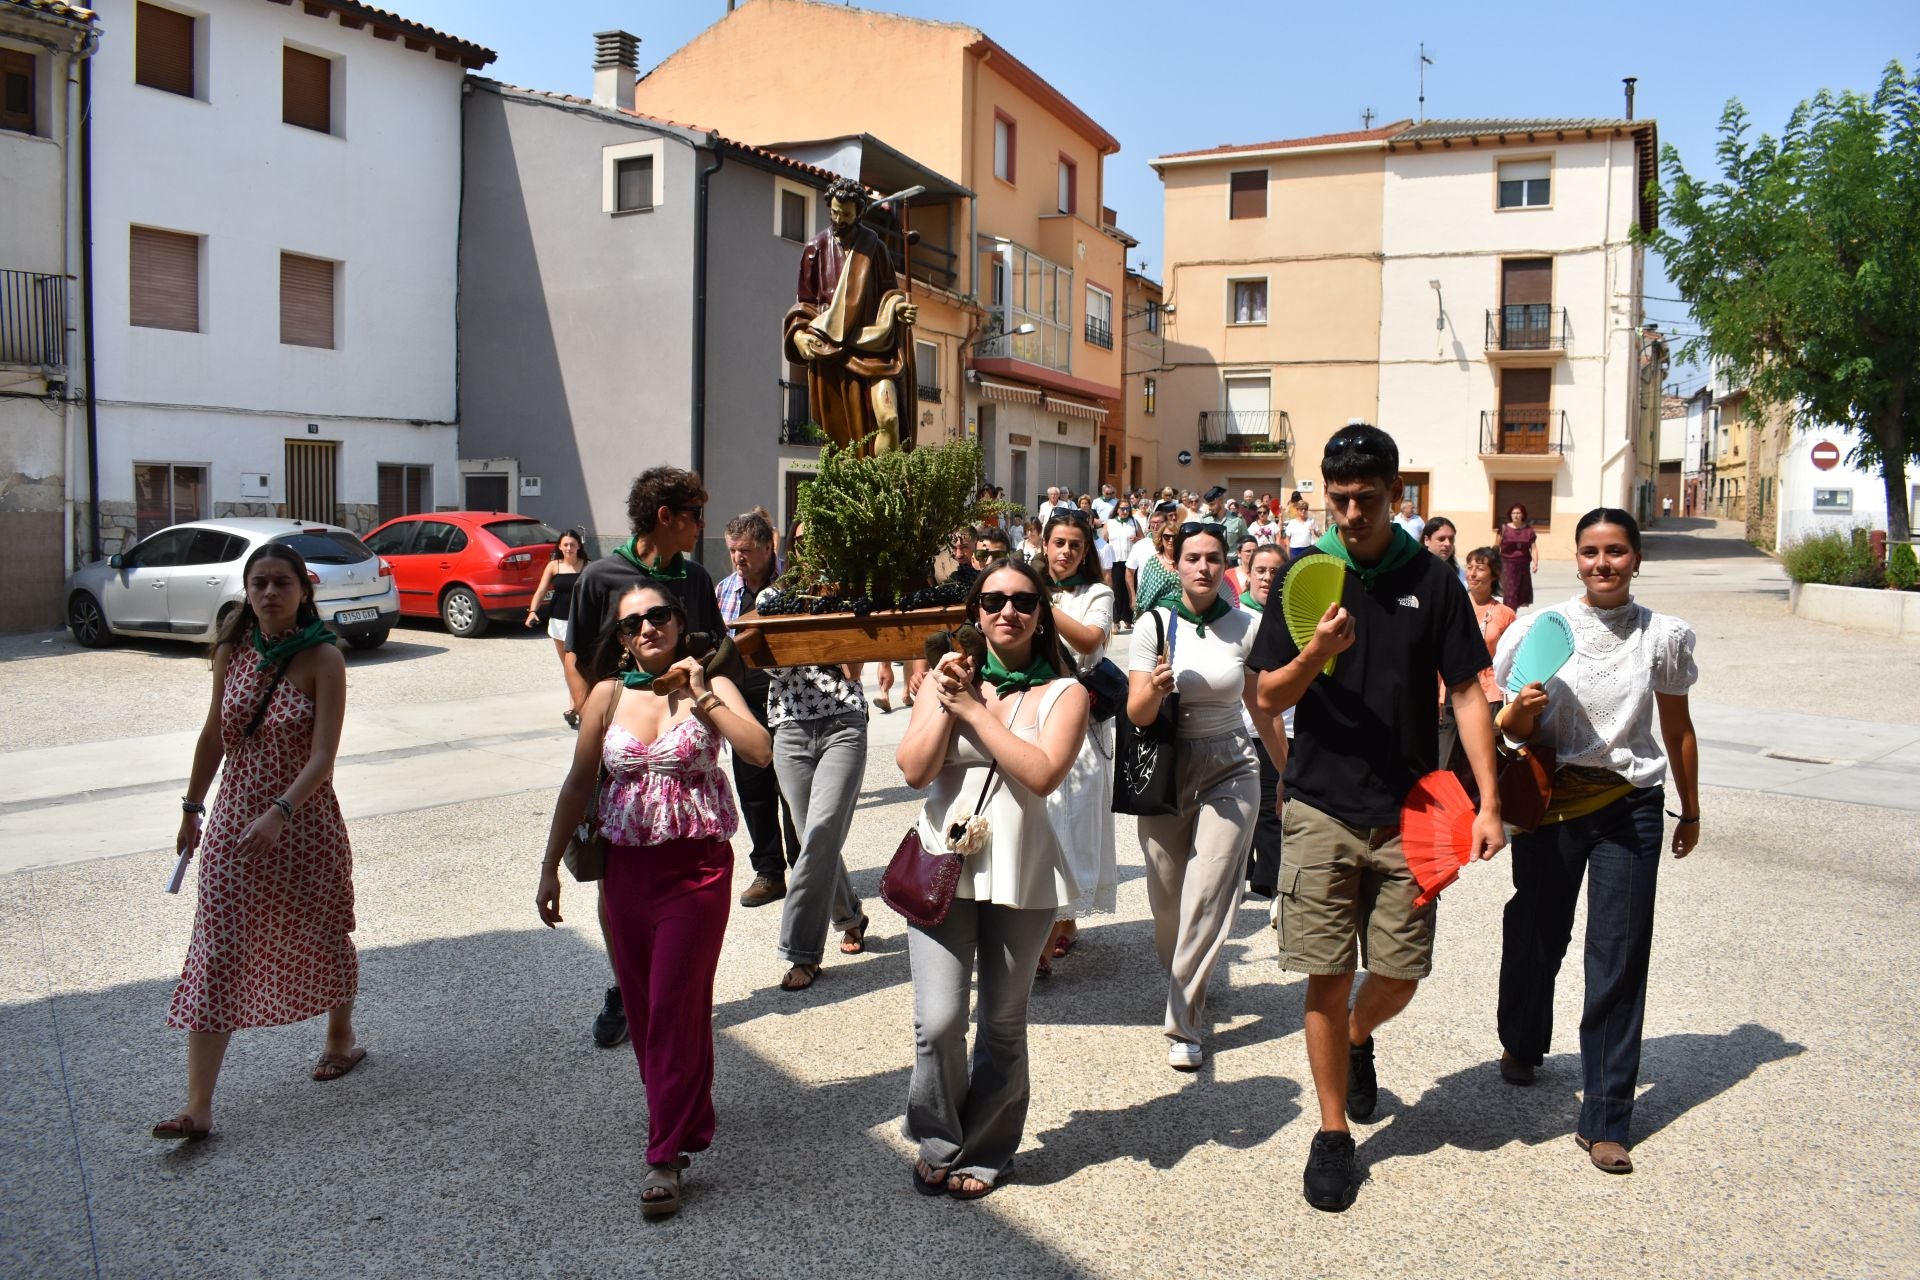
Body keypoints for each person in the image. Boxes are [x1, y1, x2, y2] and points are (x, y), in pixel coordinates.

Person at [1251, 424, 1504, 1212]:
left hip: (1411, 811)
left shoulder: (1431, 581)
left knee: (1399, 972)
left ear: (1398, 494)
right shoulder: (1304, 574)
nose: (1352, 512)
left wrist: (1490, 801)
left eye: (1367, 498)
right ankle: (1332, 1134)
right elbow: (1266, 696)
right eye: (1339, 498)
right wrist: (1311, 655)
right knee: (1323, 976)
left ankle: (1361, 1036)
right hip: (1323, 807)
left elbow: (1466, 692)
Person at [536, 583, 771, 1218]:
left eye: (657, 615)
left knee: (672, 1001)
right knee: (644, 1010)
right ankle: (683, 1110)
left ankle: (663, 1155)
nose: (646, 628)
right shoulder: (607, 697)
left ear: (678, 622)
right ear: (620, 637)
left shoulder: (711, 688)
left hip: (695, 871)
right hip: (625, 874)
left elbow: (758, 752)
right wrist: (549, 866)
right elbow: (579, 780)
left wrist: (700, 696)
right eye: (632, 622)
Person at [1492, 509, 1700, 1176]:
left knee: (1619, 951)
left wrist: (1689, 810)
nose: (1602, 563)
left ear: (1637, 559)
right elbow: (1509, 726)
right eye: (1590, 552)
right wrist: (1522, 708)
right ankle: (1522, 1041)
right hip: (1552, 800)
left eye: (1615, 551)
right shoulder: (1540, 630)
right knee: (1538, 931)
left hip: (1629, 805)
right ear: (1575, 558)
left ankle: (1607, 1116)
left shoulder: (1661, 637)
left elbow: (1678, 728)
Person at [896, 557, 1088, 1199]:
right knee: (940, 1019)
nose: (1008, 610)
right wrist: (948, 700)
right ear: (975, 613)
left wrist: (976, 714)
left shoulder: (1065, 692)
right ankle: (938, 1135)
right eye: (994, 600)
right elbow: (914, 771)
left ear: (1042, 615)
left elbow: (1040, 773)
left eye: (1025, 602)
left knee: (1003, 1021)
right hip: (942, 866)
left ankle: (988, 1149)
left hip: (1022, 869)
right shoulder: (943, 682)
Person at [155, 543, 360, 1142]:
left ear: (303, 590)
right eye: (260, 583)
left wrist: (280, 812)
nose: (270, 593)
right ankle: (198, 1105)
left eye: (282, 583)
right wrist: (192, 806)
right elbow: (214, 734)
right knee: (216, 946)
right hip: (231, 820)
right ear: (247, 591)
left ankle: (340, 1037)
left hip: (303, 821)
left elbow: (324, 755)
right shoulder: (232, 652)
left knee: (324, 926)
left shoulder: (324, 657)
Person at [565, 466, 728, 1049]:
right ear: (666, 517)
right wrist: (592, 714)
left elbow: (713, 652)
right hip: (617, 737)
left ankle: (664, 986)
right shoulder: (601, 575)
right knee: (612, 865)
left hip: (679, 738)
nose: (701, 527)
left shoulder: (697, 578)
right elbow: (577, 652)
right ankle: (623, 983)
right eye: (694, 515)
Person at [1128, 523, 1287, 1071]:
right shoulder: (1152, 624)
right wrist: (1152, 688)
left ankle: (1184, 1022)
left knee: (1208, 890)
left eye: (1213, 558)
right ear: (1175, 563)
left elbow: (1262, 707)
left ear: (1227, 566)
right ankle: (1186, 972)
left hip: (1231, 768)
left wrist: (1288, 771)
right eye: (1192, 557)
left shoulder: (1248, 625)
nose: (1202, 567)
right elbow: (1136, 714)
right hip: (1166, 772)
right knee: (1168, 900)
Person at [784, 177, 919, 452]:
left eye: (845, 214)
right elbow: (804, 304)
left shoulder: (875, 248)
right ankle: (859, 488)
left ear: (859, 213)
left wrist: (898, 308)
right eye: (834, 212)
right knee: (845, 442)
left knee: (889, 418)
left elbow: (889, 293)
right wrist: (798, 336)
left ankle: (883, 490)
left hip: (875, 347)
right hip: (832, 353)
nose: (839, 219)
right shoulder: (815, 248)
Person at [1038, 511, 1118, 971]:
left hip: (1081, 722)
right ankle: (1050, 922)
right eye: (1059, 543)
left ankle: (1057, 926)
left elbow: (1090, 642)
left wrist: (1043, 608)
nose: (1065, 551)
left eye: (1074, 544)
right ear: (1045, 545)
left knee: (1074, 821)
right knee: (1042, 820)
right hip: (1033, 714)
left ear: (1085, 552)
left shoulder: (1099, 593)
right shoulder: (1025, 584)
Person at [716, 511, 803, 908]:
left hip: (791, 703)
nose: (738, 558)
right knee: (753, 789)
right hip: (744, 704)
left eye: (746, 551)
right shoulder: (724, 590)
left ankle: (804, 869)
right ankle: (769, 872)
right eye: (733, 550)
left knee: (794, 789)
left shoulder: (794, 586)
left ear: (769, 547)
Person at [1237, 543, 1293, 899]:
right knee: (1241, 810)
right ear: (1249, 573)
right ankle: (1242, 873)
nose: (1267, 578)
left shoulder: (1295, 619)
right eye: (1261, 570)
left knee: (1274, 813)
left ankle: (1272, 885)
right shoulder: (1235, 617)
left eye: (1276, 572)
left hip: (1283, 727)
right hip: (1240, 728)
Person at [1446, 546, 1517, 778]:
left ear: (1494, 574)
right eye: (1470, 566)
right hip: (1450, 692)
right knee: (1445, 760)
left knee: (1477, 762)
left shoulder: (1505, 614)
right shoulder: (1453, 605)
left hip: (1489, 694)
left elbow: (1513, 660)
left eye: (1481, 568)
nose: (1473, 573)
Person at [526, 528, 592, 729]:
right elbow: (541, 590)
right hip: (559, 621)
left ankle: (580, 706)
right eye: (565, 545)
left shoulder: (588, 566)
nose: (569, 548)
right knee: (568, 666)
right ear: (560, 547)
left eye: (572, 544)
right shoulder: (554, 566)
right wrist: (532, 611)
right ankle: (575, 706)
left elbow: (597, 591)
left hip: (582, 621)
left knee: (581, 664)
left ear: (579, 546)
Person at [1104, 500, 1140, 632]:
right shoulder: (1110, 523)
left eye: (1127, 509)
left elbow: (1142, 539)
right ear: (1117, 509)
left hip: (1130, 561)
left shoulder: (1134, 522)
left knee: (1129, 590)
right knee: (1117, 590)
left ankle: (1128, 618)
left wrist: (1137, 540)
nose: (1125, 511)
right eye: (1122, 509)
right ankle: (1115, 621)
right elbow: (1104, 541)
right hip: (1115, 561)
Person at [1500, 503, 1542, 608]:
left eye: (1518, 513)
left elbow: (1533, 548)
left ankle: (1512, 616)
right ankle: (1510, 618)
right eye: (1513, 513)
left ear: (1523, 515)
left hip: (1523, 566)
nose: (1516, 515)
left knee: (1520, 595)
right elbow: (1497, 546)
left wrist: (1535, 563)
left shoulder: (1529, 531)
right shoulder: (1504, 529)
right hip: (1507, 566)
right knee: (1510, 595)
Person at [1422, 516, 1464, 585]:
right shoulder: (1415, 570)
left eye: (1451, 539)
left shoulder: (1460, 574)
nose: (1448, 544)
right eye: (1441, 539)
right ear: (1427, 540)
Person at [1226, 535, 1258, 600]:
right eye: (1248, 551)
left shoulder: (1264, 575)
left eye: (1255, 551)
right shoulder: (1228, 575)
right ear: (1239, 553)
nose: (1252, 554)